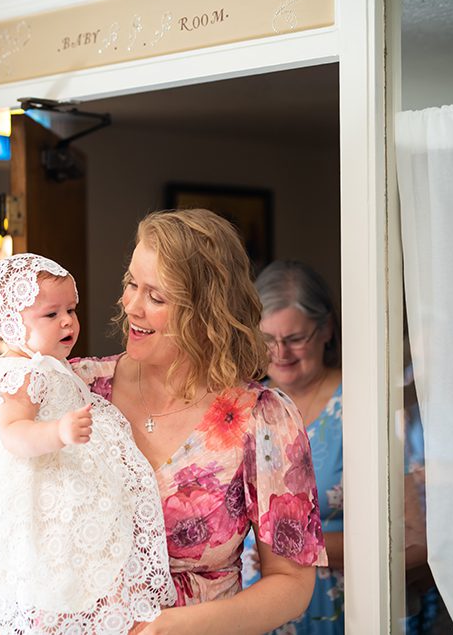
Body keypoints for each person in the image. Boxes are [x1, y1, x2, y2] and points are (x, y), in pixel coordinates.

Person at [70, 210, 326, 635]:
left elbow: (292, 583)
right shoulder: (78, 390)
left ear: (208, 311)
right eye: (131, 284)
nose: (131, 305)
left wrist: (176, 628)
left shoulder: (262, 418)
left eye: (156, 296)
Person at [0, 253, 176, 635]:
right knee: (60, 560)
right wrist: (57, 433)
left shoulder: (48, 364)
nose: (67, 322)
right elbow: (12, 433)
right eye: (51, 315)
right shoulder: (21, 374)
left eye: (71, 310)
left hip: (66, 471)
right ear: (13, 323)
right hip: (41, 484)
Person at [241, 260, 344, 634]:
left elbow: (410, 535)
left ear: (326, 330)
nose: (280, 352)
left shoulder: (363, 405)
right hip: (256, 610)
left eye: (295, 338)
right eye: (268, 339)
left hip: (340, 608)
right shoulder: (246, 405)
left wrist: (289, 551)